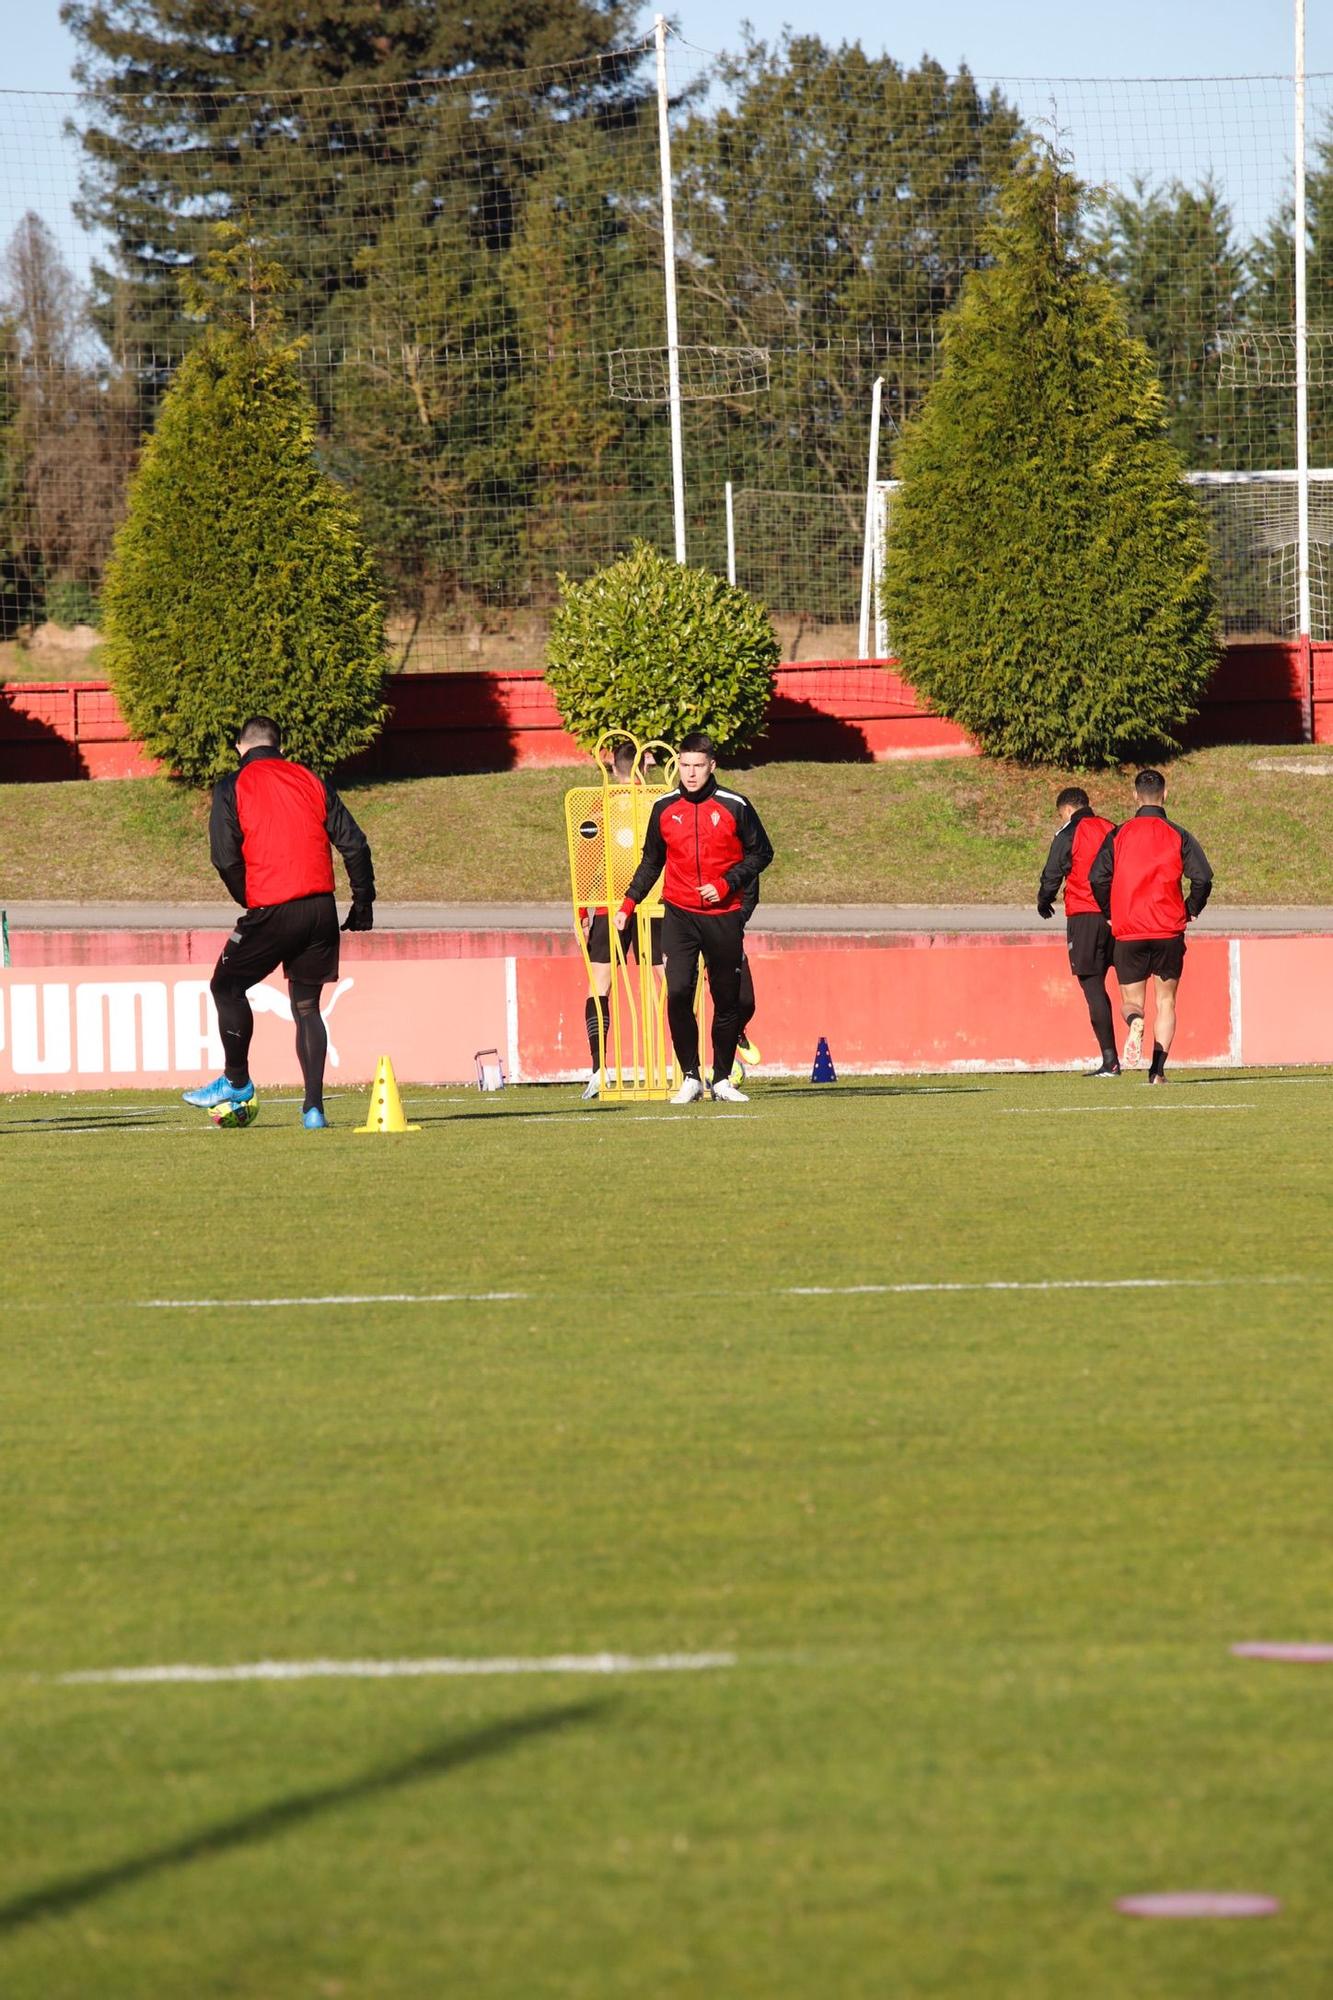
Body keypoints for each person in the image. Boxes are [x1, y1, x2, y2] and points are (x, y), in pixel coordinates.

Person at [183, 715, 375, 1128]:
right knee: (307, 1006)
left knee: (226, 985)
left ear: (240, 747)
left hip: (274, 907)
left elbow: (225, 857)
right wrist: (363, 903)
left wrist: (251, 899)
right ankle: (313, 1110)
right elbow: (354, 845)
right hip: (321, 908)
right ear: (280, 745)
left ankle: (236, 1081)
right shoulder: (310, 780)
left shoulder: (233, 785)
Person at [617, 731, 773, 1104]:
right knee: (679, 992)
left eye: (697, 766)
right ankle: (689, 1076)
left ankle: (721, 1079)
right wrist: (629, 903)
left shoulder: (736, 805)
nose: (689, 774)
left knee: (726, 999)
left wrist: (726, 884)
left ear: (712, 766)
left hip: (724, 915)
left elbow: (762, 853)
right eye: (684, 766)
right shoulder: (664, 808)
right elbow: (652, 861)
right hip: (679, 914)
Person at [1089, 768, 1213, 1085]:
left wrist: (1109, 911)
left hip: (1129, 929)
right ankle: (1157, 1071)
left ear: (1135, 796)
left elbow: (1097, 877)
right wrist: (1190, 909)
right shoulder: (1179, 834)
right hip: (1168, 929)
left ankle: (1135, 1021)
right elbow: (1202, 878)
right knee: (1166, 1002)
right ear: (1165, 795)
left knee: (1131, 1001)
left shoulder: (1119, 835)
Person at [580, 740, 663, 1101]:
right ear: (644, 767)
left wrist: (584, 912)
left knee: (600, 983)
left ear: (613, 769)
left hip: (610, 902)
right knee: (672, 982)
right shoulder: (659, 803)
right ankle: (687, 1065)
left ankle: (599, 1069)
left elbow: (585, 858)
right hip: (657, 901)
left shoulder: (602, 806)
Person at [1037, 785, 1120, 1077]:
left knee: (1093, 985)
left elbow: (1053, 871)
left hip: (1085, 916)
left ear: (1068, 810)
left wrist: (1044, 899)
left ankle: (1110, 1060)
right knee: (1127, 983)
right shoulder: (1112, 828)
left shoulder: (1068, 832)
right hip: (1117, 916)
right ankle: (1137, 1022)